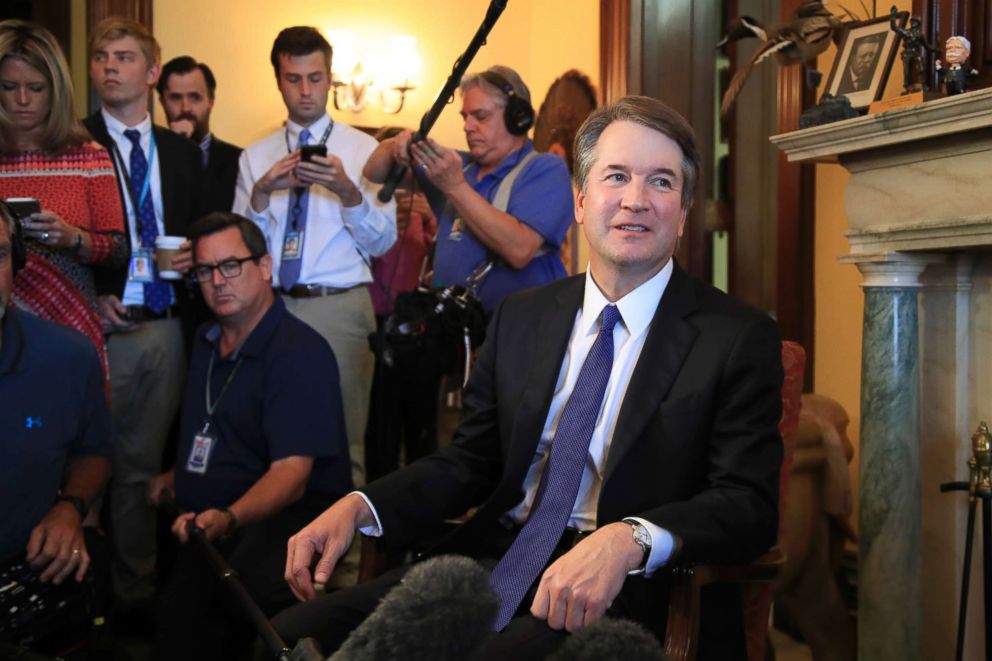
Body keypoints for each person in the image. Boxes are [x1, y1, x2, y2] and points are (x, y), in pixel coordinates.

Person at [273, 95, 784, 660]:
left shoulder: (736, 336)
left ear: (684, 211)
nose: (636, 200)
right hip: (493, 566)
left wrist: (632, 537)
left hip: (621, 593)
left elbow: (748, 506)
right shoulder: (523, 317)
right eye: (617, 177)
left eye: (661, 183)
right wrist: (362, 506)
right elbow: (471, 462)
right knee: (289, 633)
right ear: (582, 199)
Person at [146, 212, 352, 661]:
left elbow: (293, 476)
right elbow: (218, 428)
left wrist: (228, 516)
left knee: (213, 632)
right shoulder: (206, 337)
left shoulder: (300, 353)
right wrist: (177, 474)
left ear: (264, 267)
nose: (218, 281)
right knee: (171, 626)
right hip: (208, 522)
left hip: (274, 526)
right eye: (204, 270)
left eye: (231, 266)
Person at [234, 26, 396, 488]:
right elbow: (241, 251)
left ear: (331, 79)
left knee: (345, 441)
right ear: (278, 80)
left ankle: (341, 561)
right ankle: (278, 556)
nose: (305, 90)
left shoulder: (365, 152)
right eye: (293, 78)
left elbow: (382, 243)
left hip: (339, 305)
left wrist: (347, 190)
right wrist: (263, 191)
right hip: (270, 305)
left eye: (315, 77)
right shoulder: (254, 157)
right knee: (270, 436)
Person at [81, 16, 204, 606]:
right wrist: (91, 290)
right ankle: (84, 591)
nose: (111, 66)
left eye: (125, 57)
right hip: (96, 324)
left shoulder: (180, 154)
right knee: (84, 461)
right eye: (102, 56)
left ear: (152, 72)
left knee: (143, 467)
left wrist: (194, 253)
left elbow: (207, 231)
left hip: (164, 323)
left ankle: (135, 595)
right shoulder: (73, 144)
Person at [364, 65, 574, 315]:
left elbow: (519, 250)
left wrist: (454, 186)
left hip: (521, 331)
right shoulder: (458, 165)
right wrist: (394, 145)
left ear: (518, 118)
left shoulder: (545, 168)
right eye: (465, 117)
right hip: (453, 331)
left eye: (481, 116)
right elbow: (374, 172)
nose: (468, 126)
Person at [0, 19, 127, 386]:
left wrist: (72, 238)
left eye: (35, 88)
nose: (22, 100)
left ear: (56, 90)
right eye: (9, 87)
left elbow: (118, 250)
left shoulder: (88, 156)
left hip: (69, 322)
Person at [0, 200, 111, 595]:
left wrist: (71, 508)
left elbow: (95, 451)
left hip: (26, 578)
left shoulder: (68, 356)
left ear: (17, 262)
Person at [157, 55, 242, 213]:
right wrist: (174, 148)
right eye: (176, 98)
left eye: (195, 97)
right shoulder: (150, 157)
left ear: (211, 100)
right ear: (162, 102)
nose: (186, 108)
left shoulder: (240, 160)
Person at [890, 8, 937, 94]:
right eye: (912, 21)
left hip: (914, 52)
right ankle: (907, 86)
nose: (913, 23)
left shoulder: (919, 35)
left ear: (918, 24)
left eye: (915, 22)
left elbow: (927, 46)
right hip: (907, 52)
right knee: (906, 69)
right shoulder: (905, 32)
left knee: (921, 65)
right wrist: (893, 16)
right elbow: (894, 27)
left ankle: (923, 83)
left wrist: (936, 49)